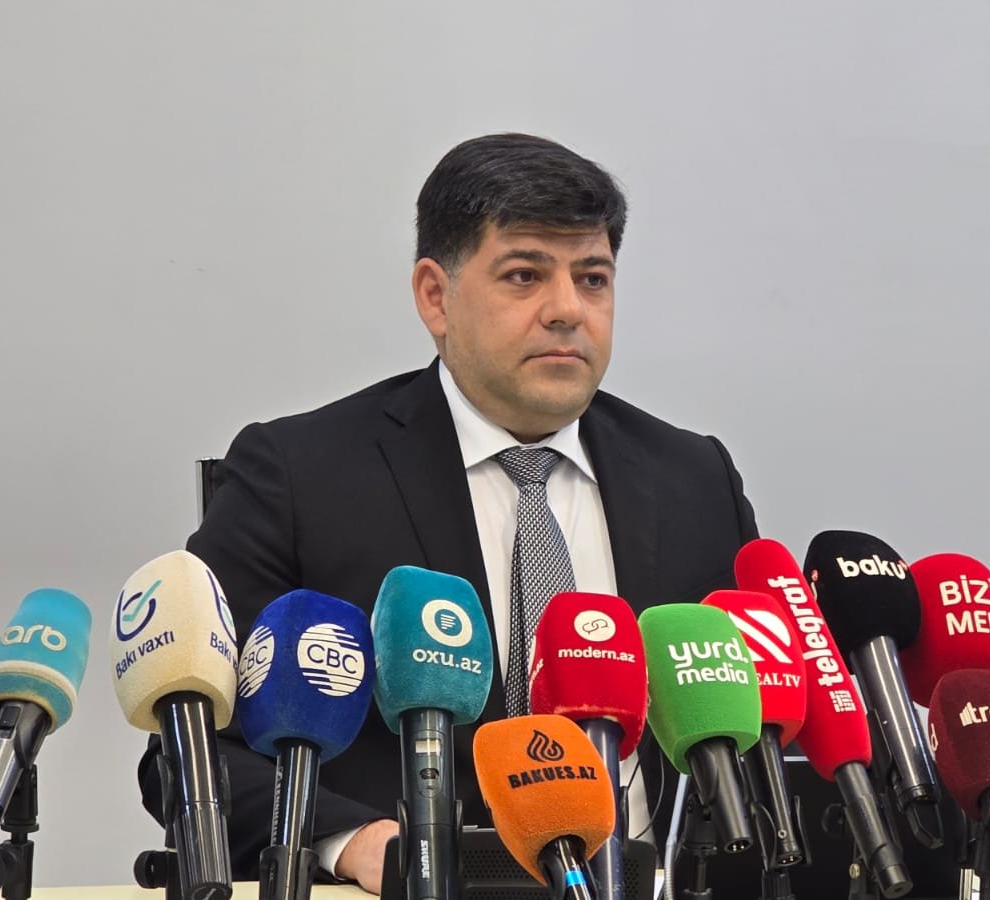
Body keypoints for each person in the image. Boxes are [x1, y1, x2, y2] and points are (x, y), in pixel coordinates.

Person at [139, 133, 759, 892]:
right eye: (525, 275)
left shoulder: (696, 478)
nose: (568, 310)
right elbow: (187, 753)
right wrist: (353, 841)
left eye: (593, 279)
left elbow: (753, 734)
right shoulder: (300, 476)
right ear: (435, 296)